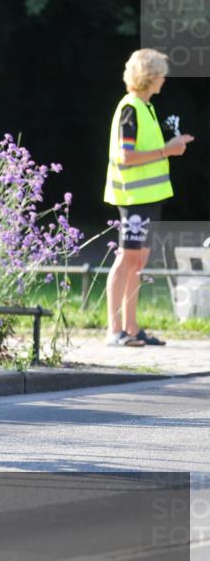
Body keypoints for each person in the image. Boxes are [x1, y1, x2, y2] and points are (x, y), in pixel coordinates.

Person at [104, 49, 193, 347]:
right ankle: (114, 330)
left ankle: (131, 329)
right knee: (126, 259)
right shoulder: (130, 108)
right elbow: (125, 156)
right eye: (161, 73)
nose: (164, 78)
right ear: (149, 76)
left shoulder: (146, 107)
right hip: (133, 198)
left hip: (149, 198)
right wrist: (168, 150)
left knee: (138, 261)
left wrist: (170, 147)